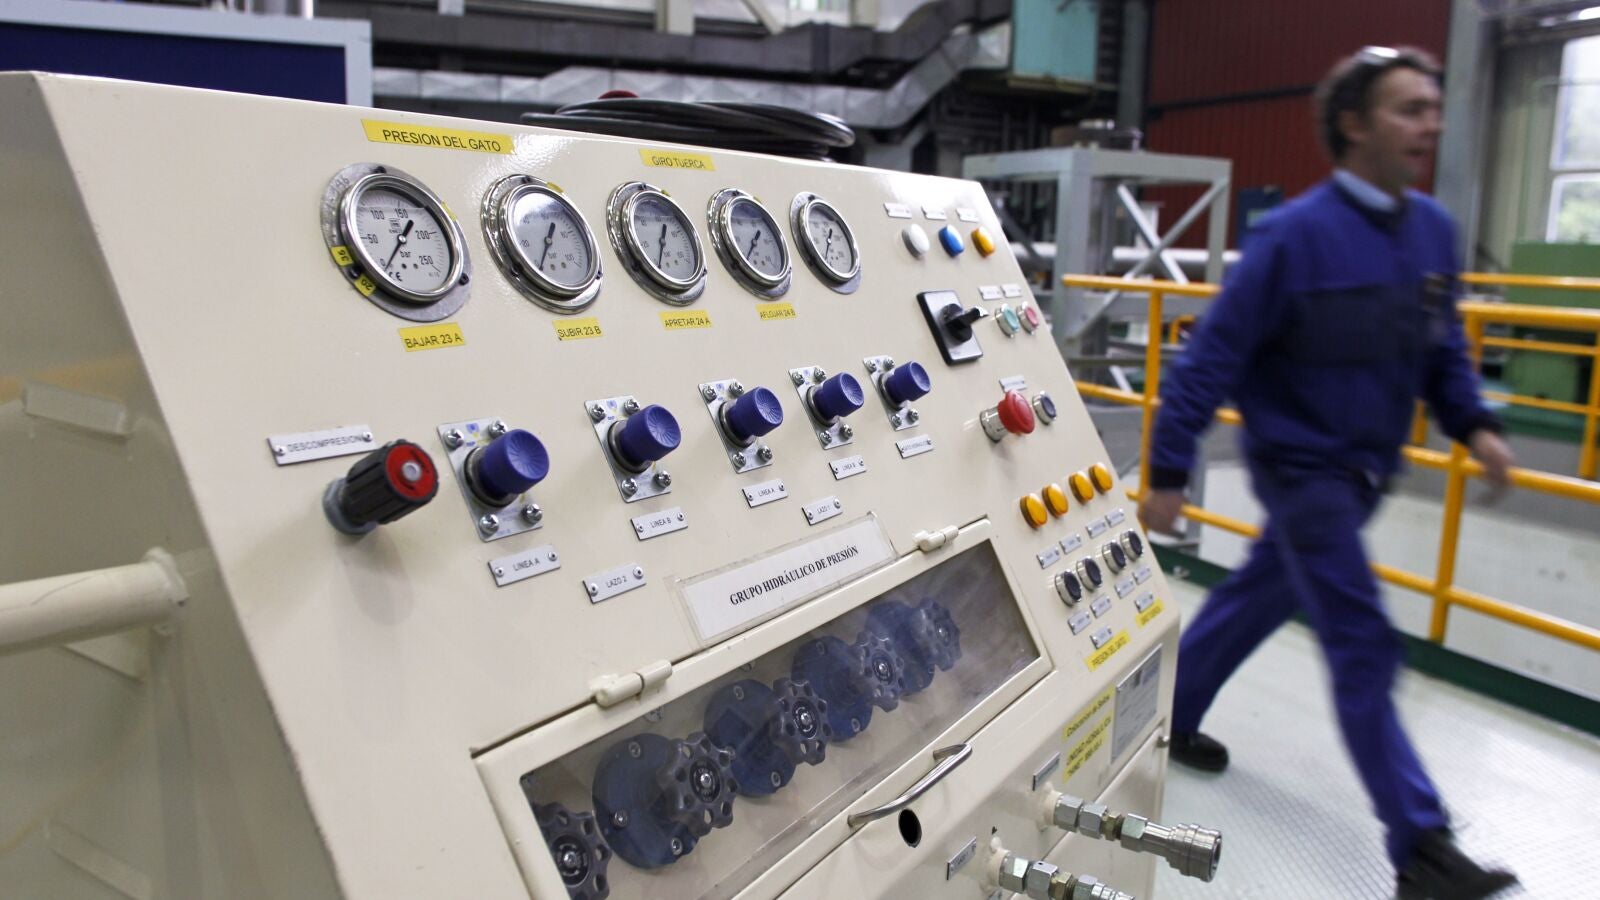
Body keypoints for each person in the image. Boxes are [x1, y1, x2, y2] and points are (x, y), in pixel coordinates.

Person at [1138, 46, 1520, 899]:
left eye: (1432, 108)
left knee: (1260, 592)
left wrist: (1477, 425)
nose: (1429, 124)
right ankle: (1422, 849)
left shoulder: (1432, 232)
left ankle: (1174, 712)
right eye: (1408, 109)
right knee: (1362, 640)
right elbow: (1210, 359)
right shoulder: (1292, 239)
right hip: (1304, 472)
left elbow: (1443, 352)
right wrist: (1167, 470)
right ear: (1353, 124)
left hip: (1367, 473)